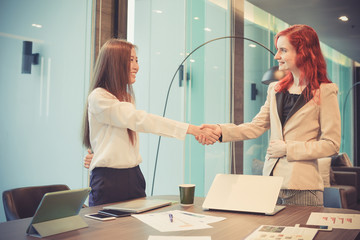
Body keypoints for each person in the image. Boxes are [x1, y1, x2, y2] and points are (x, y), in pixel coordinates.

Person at [198, 25, 341, 206]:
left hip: (303, 187)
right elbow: (255, 126)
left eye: (283, 50)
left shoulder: (325, 91)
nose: (277, 56)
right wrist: (220, 130)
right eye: (277, 50)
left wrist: (288, 149)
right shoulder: (275, 88)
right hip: (270, 184)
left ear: (303, 52)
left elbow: (331, 145)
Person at [82, 39, 219, 206]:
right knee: (107, 231)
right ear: (114, 63)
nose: (136, 67)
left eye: (136, 60)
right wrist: (190, 129)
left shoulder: (126, 98)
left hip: (134, 177)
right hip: (108, 181)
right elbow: (141, 120)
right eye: (130, 60)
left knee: (134, 231)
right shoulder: (99, 97)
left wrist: (97, 152)